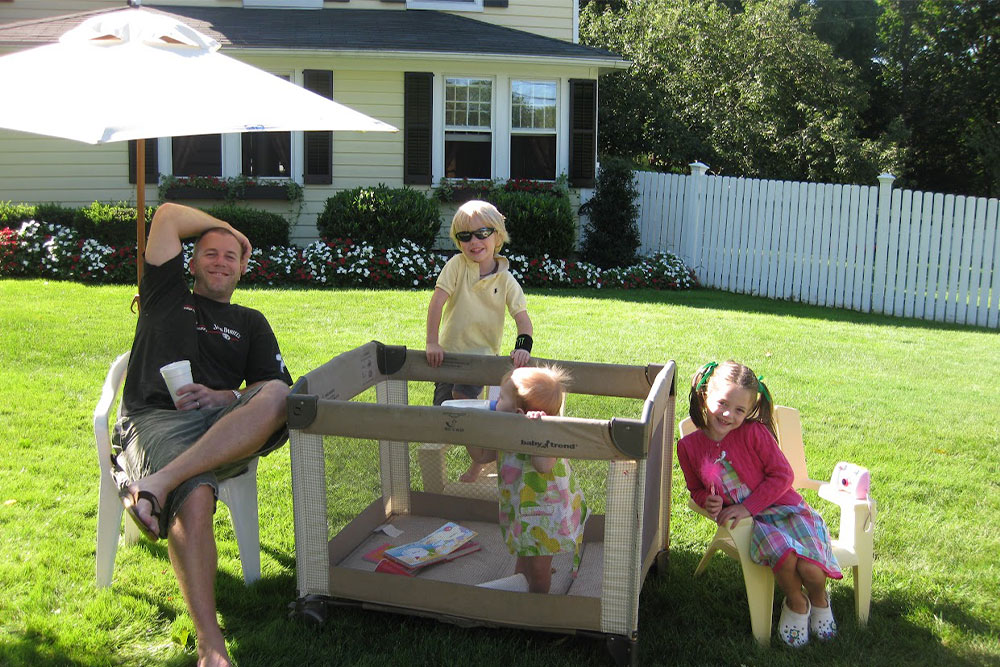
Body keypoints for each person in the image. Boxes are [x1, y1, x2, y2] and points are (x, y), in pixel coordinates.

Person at [113, 202, 292, 667]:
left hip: (222, 426)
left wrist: (225, 397)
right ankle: (211, 645)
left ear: (241, 271)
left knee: (275, 395)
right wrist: (233, 230)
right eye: (210, 253)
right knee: (195, 495)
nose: (219, 261)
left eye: (231, 256)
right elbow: (169, 215)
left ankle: (157, 484)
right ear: (190, 264)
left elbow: (275, 390)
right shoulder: (163, 293)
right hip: (155, 419)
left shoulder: (251, 323)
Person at [677, 360, 841, 647]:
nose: (729, 414)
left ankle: (819, 598)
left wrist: (746, 506)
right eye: (723, 403)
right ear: (705, 394)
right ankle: (796, 602)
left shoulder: (753, 433)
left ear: (749, 410)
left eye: (739, 410)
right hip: (755, 524)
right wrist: (709, 501)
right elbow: (695, 490)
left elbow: (783, 475)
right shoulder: (689, 447)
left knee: (812, 570)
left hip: (787, 509)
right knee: (785, 556)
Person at [424, 200, 533, 482]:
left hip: (480, 358)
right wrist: (432, 342)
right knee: (444, 418)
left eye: (482, 233)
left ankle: (484, 457)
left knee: (461, 398)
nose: (474, 242)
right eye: (465, 236)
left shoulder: (507, 280)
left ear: (497, 235)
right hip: (447, 355)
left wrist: (523, 347)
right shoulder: (457, 266)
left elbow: (523, 320)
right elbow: (437, 303)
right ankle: (482, 459)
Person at [473, 365, 588, 594]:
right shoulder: (505, 432)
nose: (496, 400)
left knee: (537, 567)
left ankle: (538, 603)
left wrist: (538, 432)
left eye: (502, 397)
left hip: (545, 516)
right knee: (524, 555)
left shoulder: (549, 436)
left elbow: (542, 465)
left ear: (519, 411)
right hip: (521, 511)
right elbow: (482, 455)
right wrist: (470, 431)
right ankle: (523, 585)